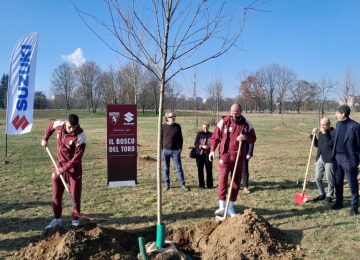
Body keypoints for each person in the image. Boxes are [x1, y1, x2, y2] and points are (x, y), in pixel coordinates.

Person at [209, 103, 256, 217]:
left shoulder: (247, 124)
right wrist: (212, 150)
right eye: (232, 112)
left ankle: (230, 207)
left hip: (239, 157)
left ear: (241, 112)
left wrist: (245, 137)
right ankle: (221, 206)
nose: (234, 115)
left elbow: (253, 138)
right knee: (222, 180)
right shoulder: (224, 122)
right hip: (225, 155)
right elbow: (215, 137)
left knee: (236, 182)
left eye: (236, 113)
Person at [41, 114, 87, 229]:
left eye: (74, 127)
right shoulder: (59, 125)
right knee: (56, 194)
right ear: (66, 123)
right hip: (59, 166)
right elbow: (51, 125)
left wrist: (64, 169)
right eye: (70, 127)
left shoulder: (81, 136)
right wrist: (45, 138)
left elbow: (77, 158)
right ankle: (57, 219)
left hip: (74, 169)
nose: (72, 129)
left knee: (75, 196)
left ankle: (75, 221)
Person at [331, 105, 360, 216]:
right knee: (338, 181)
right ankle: (339, 202)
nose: (335, 115)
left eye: (337, 113)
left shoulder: (355, 126)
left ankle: (354, 207)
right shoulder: (338, 124)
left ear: (343, 113)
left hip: (349, 159)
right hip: (337, 158)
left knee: (352, 183)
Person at [161, 111, 189, 191]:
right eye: (171, 117)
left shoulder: (177, 126)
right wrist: (161, 150)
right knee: (166, 168)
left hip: (176, 150)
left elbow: (181, 138)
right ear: (167, 118)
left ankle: (182, 184)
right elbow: (160, 138)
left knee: (179, 168)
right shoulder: (163, 126)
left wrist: (180, 148)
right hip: (165, 150)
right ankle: (167, 184)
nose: (173, 118)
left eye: (174, 116)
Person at [310, 117, 336, 203]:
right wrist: (312, 135)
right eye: (321, 125)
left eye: (324, 125)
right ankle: (322, 194)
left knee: (330, 178)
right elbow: (317, 145)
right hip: (320, 157)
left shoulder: (334, 132)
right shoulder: (321, 133)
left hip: (329, 158)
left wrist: (325, 133)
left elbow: (330, 144)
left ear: (329, 124)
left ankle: (329, 196)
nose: (322, 127)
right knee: (317, 177)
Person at [194, 122, 213, 189]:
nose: (205, 128)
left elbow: (213, 144)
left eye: (206, 127)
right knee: (200, 169)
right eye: (204, 127)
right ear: (202, 127)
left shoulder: (211, 134)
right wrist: (201, 146)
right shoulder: (199, 134)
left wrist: (209, 147)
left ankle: (210, 185)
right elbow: (196, 143)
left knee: (209, 170)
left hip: (208, 154)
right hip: (200, 154)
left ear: (208, 127)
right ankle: (201, 185)